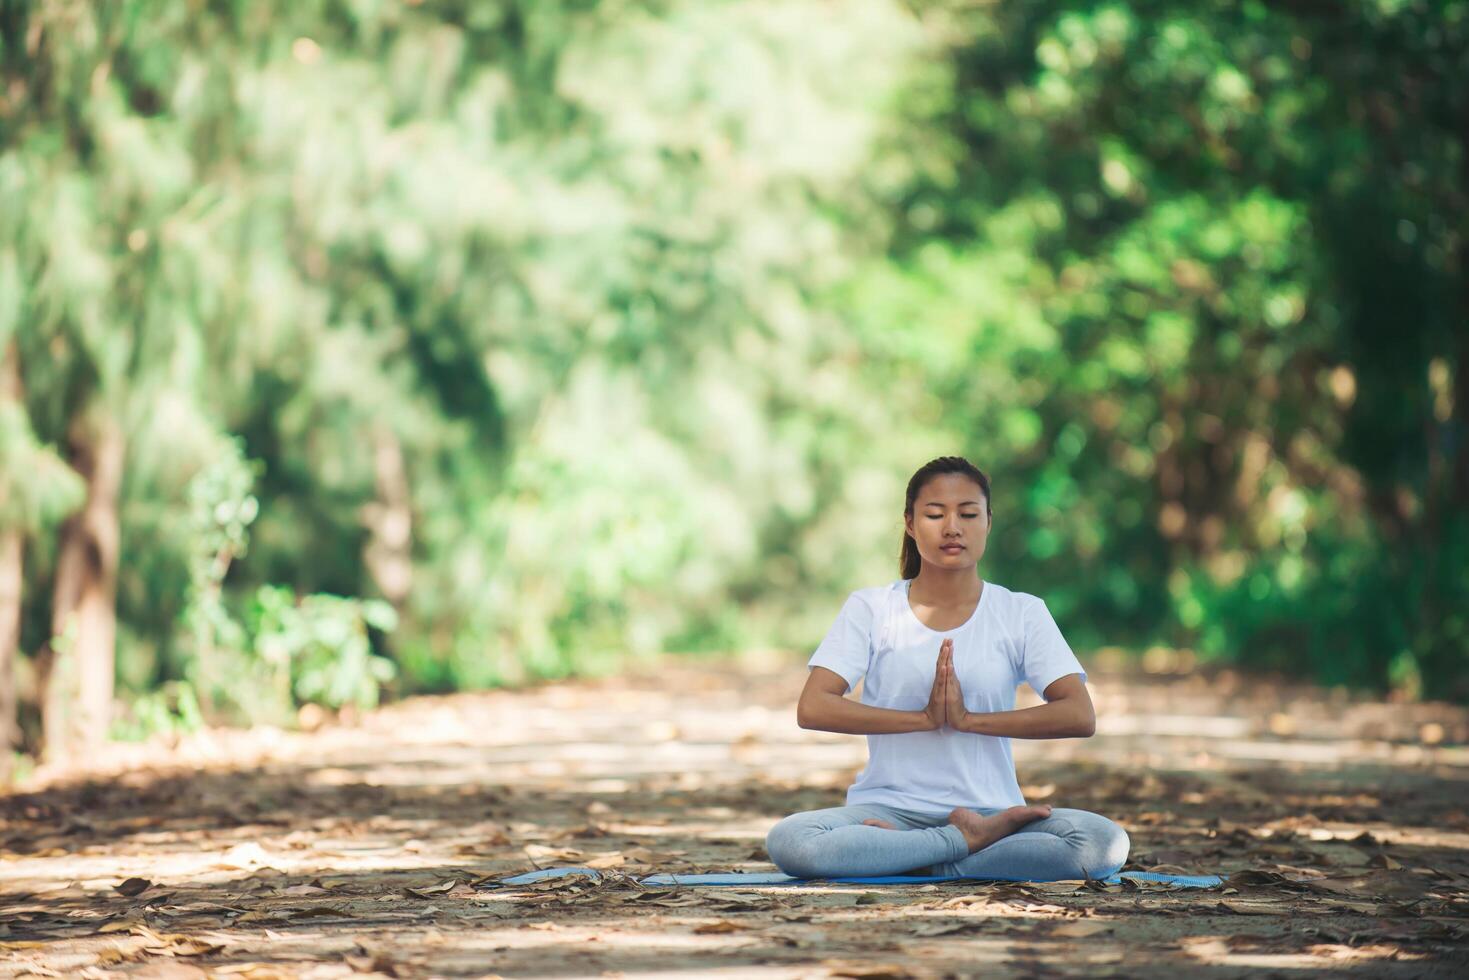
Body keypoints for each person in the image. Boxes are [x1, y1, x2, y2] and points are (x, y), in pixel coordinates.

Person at [765, 456, 1129, 881]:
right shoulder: (872, 608)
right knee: (793, 840)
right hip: (889, 811)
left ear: (988, 522)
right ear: (909, 523)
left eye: (968, 514)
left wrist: (968, 720)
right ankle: (957, 848)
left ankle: (916, 858)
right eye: (935, 514)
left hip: (992, 814)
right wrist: (921, 719)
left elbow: (1079, 714)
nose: (952, 527)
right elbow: (813, 707)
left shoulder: (1021, 612)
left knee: (1101, 843)